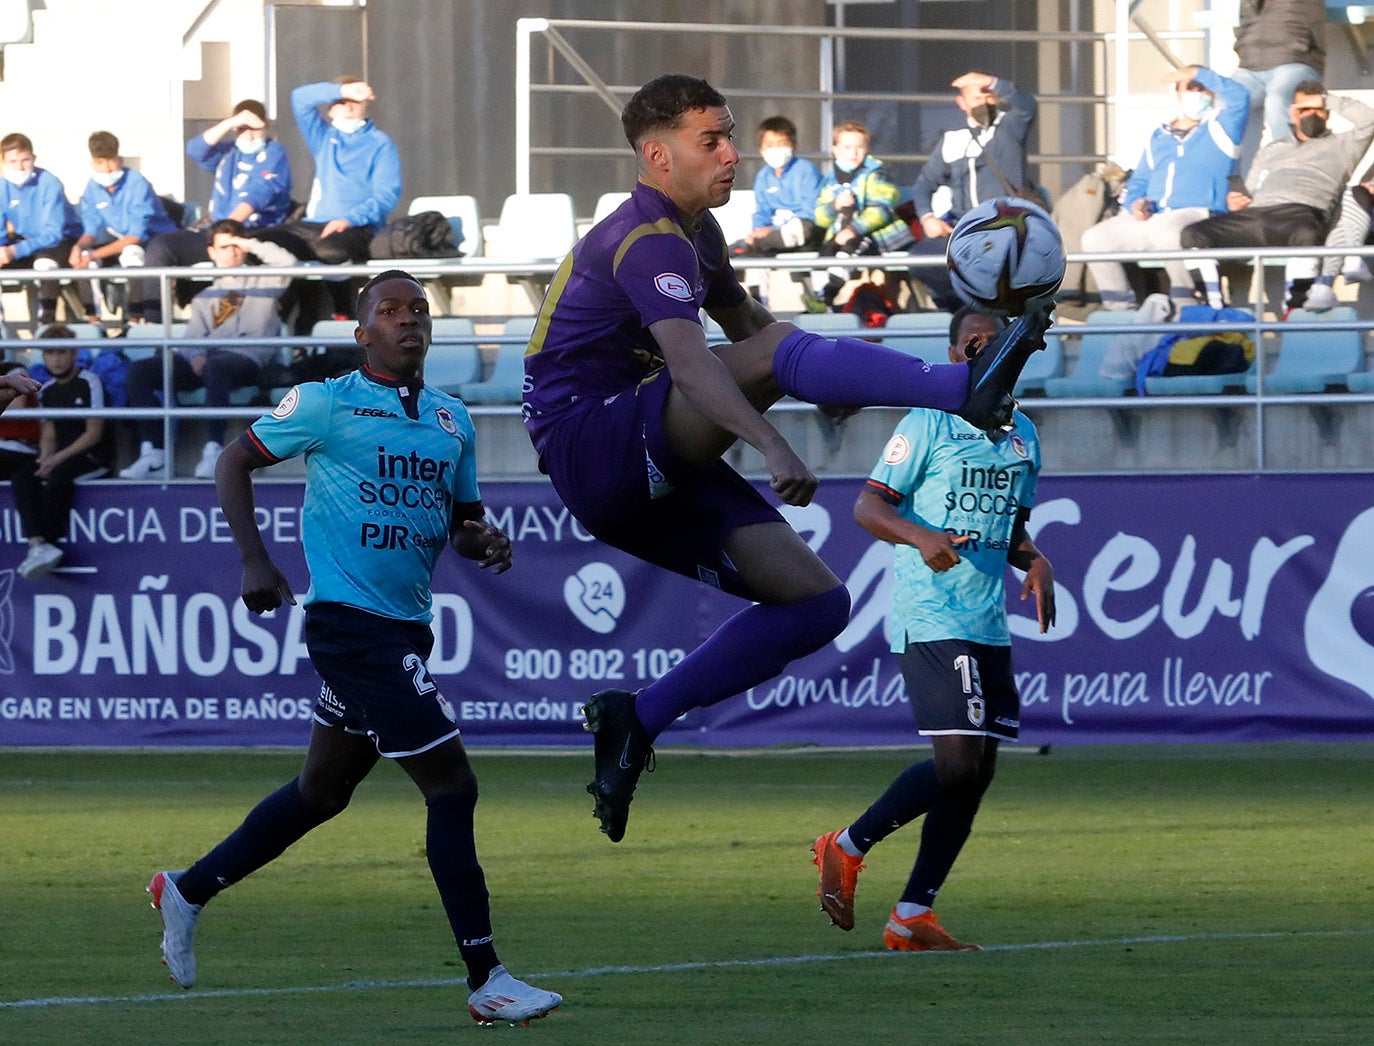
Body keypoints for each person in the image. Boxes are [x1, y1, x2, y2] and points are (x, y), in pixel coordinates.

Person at [521, 74, 1053, 845]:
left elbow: (749, 327)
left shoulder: (695, 233)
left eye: (730, 135)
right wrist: (770, 439)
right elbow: (702, 365)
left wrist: (824, 385)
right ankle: (959, 390)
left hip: (643, 454)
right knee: (778, 353)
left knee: (816, 603)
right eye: (713, 141)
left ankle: (635, 717)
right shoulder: (648, 239)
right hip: (590, 443)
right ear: (656, 155)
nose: (733, 154)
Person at [146, 270, 561, 1026]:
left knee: (322, 791)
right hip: (349, 626)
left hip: (405, 626)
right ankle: (487, 979)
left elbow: (462, 520)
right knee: (452, 785)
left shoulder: (449, 420)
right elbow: (233, 459)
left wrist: (484, 540)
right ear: (360, 330)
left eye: (419, 311)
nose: (409, 322)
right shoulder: (325, 403)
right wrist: (254, 559)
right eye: (390, 311)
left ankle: (187, 888)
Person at [811, 304, 1056, 952]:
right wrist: (920, 536)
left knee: (978, 772)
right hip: (932, 613)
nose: (981, 353)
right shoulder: (926, 422)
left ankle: (912, 915)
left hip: (987, 621)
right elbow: (868, 504)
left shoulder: (1024, 434)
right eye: (970, 344)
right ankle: (845, 845)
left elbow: (1012, 529)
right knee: (956, 766)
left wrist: (1035, 560)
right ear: (954, 357)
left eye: (992, 343)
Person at [121, 220, 300, 480]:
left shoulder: (266, 280)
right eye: (224, 247)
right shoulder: (204, 297)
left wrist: (248, 242)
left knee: (217, 366)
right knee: (141, 370)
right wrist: (196, 356)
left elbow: (288, 262)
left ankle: (214, 448)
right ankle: (154, 451)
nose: (232, 252)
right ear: (212, 252)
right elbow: (193, 338)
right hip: (210, 362)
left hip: (249, 361)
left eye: (236, 245)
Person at [1180, 82, 1374, 312]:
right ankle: (1215, 309)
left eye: (1316, 109)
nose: (1311, 113)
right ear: (1293, 111)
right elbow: (1250, 190)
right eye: (1303, 109)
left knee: (1307, 233)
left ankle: (1295, 308)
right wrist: (1239, 201)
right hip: (1256, 214)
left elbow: (1369, 120)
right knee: (1193, 234)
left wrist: (1325, 99)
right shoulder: (1273, 148)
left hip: (1300, 213)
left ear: (1327, 112)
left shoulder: (1343, 145)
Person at [1080, 66, 1249, 311]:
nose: (1196, 93)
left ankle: (1186, 303)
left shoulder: (1221, 128)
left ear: (1211, 94)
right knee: (1095, 238)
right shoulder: (1159, 137)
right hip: (1154, 216)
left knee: (1168, 232)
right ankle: (1121, 311)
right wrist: (1135, 204)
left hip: (1198, 213)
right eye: (1189, 87)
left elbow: (1240, 96)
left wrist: (1195, 73)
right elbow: (1139, 181)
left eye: (1201, 88)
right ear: (1178, 95)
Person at [136, 100, 294, 322]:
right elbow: (195, 149)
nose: (248, 135)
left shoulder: (274, 152)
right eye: (242, 129)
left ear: (266, 125)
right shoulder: (228, 153)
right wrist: (231, 122)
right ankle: (154, 327)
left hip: (254, 232)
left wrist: (228, 231)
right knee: (161, 247)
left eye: (254, 128)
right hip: (218, 232)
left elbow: (259, 194)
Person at [908, 71, 1039, 310]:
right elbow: (924, 185)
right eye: (977, 98)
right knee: (921, 257)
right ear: (962, 103)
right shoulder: (952, 140)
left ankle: (986, 308)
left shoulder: (1010, 127)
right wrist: (928, 217)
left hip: (1004, 226)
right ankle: (959, 309)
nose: (984, 103)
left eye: (988, 97)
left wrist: (990, 82)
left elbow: (1027, 105)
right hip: (962, 229)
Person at [279, 77, 402, 321]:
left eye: (355, 100)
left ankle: (344, 310)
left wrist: (348, 219)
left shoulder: (380, 143)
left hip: (357, 227)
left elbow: (387, 194)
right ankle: (283, 323)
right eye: (342, 101)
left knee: (328, 251)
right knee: (267, 241)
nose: (349, 105)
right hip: (316, 224)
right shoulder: (324, 137)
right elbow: (299, 98)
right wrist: (341, 89)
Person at [8, 326, 111, 580]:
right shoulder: (47, 389)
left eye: (61, 352)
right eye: (49, 353)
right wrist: (45, 456)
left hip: (93, 456)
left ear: (74, 353)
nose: (56, 359)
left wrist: (56, 460)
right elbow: (50, 431)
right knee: (23, 475)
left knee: (57, 479)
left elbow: (93, 433)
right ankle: (37, 545)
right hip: (60, 456)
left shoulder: (90, 381)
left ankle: (50, 542)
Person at [69, 131, 178, 320]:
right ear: (93, 163)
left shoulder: (137, 183)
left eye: (111, 161)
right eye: (101, 162)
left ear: (120, 159)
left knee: (132, 256)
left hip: (154, 240)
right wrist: (79, 248)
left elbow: (135, 236)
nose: (108, 168)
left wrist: (94, 254)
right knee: (85, 260)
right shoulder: (92, 188)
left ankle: (135, 320)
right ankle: (93, 321)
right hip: (122, 241)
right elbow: (91, 229)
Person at [806, 120, 914, 310]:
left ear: (867, 149)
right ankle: (820, 298)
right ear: (835, 150)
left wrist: (852, 230)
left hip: (877, 236)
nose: (853, 153)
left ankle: (827, 298)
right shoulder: (830, 180)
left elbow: (881, 211)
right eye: (847, 147)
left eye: (859, 147)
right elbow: (820, 217)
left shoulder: (876, 173)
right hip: (840, 237)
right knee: (824, 256)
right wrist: (834, 206)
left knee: (847, 253)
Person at [1231, 0, 1327, 174]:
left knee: (1276, 99)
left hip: (1296, 59)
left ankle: (1289, 173)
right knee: (1226, 103)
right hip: (1249, 65)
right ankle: (1237, 183)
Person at [0, 132, 84, 325]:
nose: (19, 167)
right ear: (3, 162)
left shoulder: (49, 183)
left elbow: (52, 234)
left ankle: (46, 323)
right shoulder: (2, 186)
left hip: (62, 241)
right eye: (13, 161)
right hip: (27, 241)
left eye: (25, 160)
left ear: (34, 159)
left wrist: (14, 250)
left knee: (44, 263)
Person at [729, 115, 823, 257]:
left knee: (802, 229)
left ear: (793, 145)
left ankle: (752, 244)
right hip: (774, 236)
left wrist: (773, 231)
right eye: (770, 145)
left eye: (782, 143)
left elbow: (811, 212)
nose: (776, 149)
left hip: (803, 231)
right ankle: (753, 246)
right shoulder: (763, 177)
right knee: (753, 251)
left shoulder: (806, 170)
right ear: (761, 149)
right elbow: (762, 211)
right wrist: (759, 229)